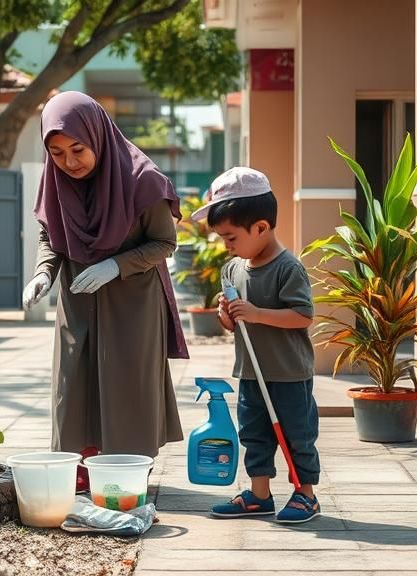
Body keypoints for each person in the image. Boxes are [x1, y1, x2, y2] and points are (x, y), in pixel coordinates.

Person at [22, 92, 188, 478]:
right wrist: (43, 273)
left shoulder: (142, 181)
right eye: (58, 153)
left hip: (132, 303)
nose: (69, 162)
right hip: (78, 299)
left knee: (127, 384)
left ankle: (127, 473)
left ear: (96, 136)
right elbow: (51, 235)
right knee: (73, 384)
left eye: (77, 149)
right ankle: (78, 471)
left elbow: (164, 243)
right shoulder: (57, 180)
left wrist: (117, 264)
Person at [192, 167, 321, 524]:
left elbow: (302, 316)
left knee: (297, 435)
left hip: (289, 373)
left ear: (261, 227)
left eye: (231, 237)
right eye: (222, 238)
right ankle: (259, 495)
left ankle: (305, 494)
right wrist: (227, 315)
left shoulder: (287, 267)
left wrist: (257, 312)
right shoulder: (233, 269)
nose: (226, 246)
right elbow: (235, 325)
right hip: (251, 372)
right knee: (254, 434)